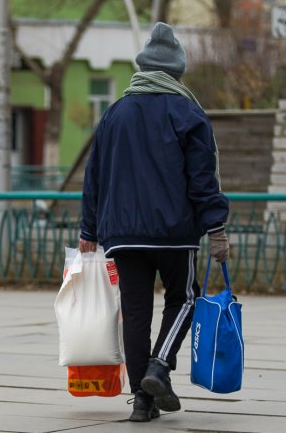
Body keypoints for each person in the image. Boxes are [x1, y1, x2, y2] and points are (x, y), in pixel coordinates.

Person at [78, 22, 230, 422]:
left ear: (143, 69)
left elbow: (94, 174)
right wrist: (216, 228)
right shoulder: (187, 111)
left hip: (122, 233)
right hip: (174, 231)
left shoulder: (115, 112)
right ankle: (159, 368)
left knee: (136, 310)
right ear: (177, 73)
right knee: (186, 298)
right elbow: (203, 178)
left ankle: (142, 403)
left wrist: (88, 231)